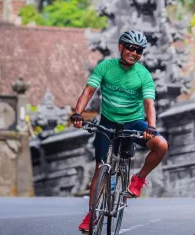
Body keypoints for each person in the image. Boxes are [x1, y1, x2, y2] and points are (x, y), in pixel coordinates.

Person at [70, 30, 168, 233]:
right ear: (121, 47)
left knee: (161, 145)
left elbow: (149, 103)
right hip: (107, 122)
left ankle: (139, 178)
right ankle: (92, 214)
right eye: (131, 47)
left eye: (139, 50)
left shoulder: (143, 74)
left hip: (133, 122)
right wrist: (78, 113)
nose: (134, 53)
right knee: (100, 168)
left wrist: (151, 126)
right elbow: (89, 91)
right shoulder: (106, 66)